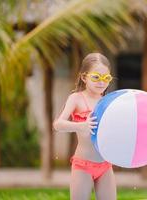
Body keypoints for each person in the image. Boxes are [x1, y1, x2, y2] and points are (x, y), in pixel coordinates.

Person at [53, 53, 116, 200]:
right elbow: (58, 124)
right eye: (96, 77)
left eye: (106, 78)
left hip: (105, 165)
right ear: (84, 77)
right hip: (83, 166)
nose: (101, 82)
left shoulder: (108, 101)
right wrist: (81, 126)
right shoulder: (76, 99)